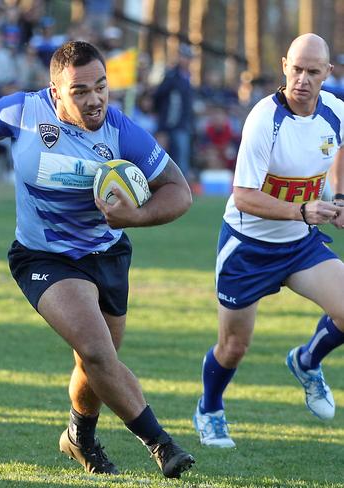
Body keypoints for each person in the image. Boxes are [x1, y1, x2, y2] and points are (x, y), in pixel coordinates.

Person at [0, 40, 195, 479]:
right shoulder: (21, 112)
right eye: (81, 90)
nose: (95, 98)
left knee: (96, 362)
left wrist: (135, 217)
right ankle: (162, 445)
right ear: (55, 91)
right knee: (98, 351)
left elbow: (179, 191)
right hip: (43, 257)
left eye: (101, 87)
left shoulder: (122, 131)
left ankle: (79, 435)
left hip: (108, 254)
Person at [193, 33, 344, 449]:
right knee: (234, 346)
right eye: (296, 69)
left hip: (299, 244)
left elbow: (341, 152)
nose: (303, 80)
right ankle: (209, 408)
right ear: (283, 66)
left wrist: (340, 196)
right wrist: (302, 211)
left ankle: (307, 360)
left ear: (328, 74)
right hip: (249, 247)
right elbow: (242, 196)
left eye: (314, 72)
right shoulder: (265, 118)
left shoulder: (335, 112)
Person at [153, 44, 195, 179]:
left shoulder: (187, 77)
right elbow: (159, 96)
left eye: (189, 57)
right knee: (164, 159)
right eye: (184, 57)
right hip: (169, 124)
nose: (186, 60)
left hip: (183, 124)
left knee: (182, 160)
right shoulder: (171, 76)